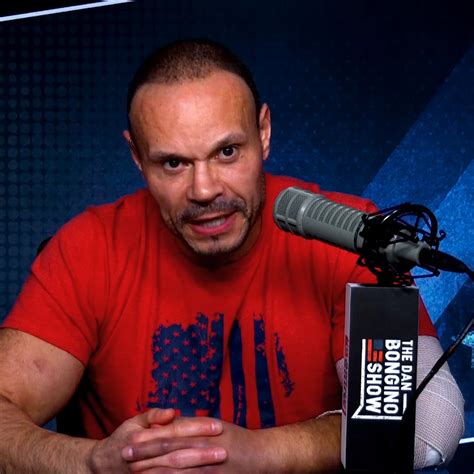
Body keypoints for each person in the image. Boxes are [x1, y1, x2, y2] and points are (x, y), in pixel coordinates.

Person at [0, 39, 464, 473]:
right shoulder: (89, 249)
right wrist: (94, 463)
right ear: (137, 156)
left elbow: (431, 421)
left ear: (263, 132)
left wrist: (262, 454)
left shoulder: (349, 237)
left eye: (226, 152)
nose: (204, 190)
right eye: (173, 163)